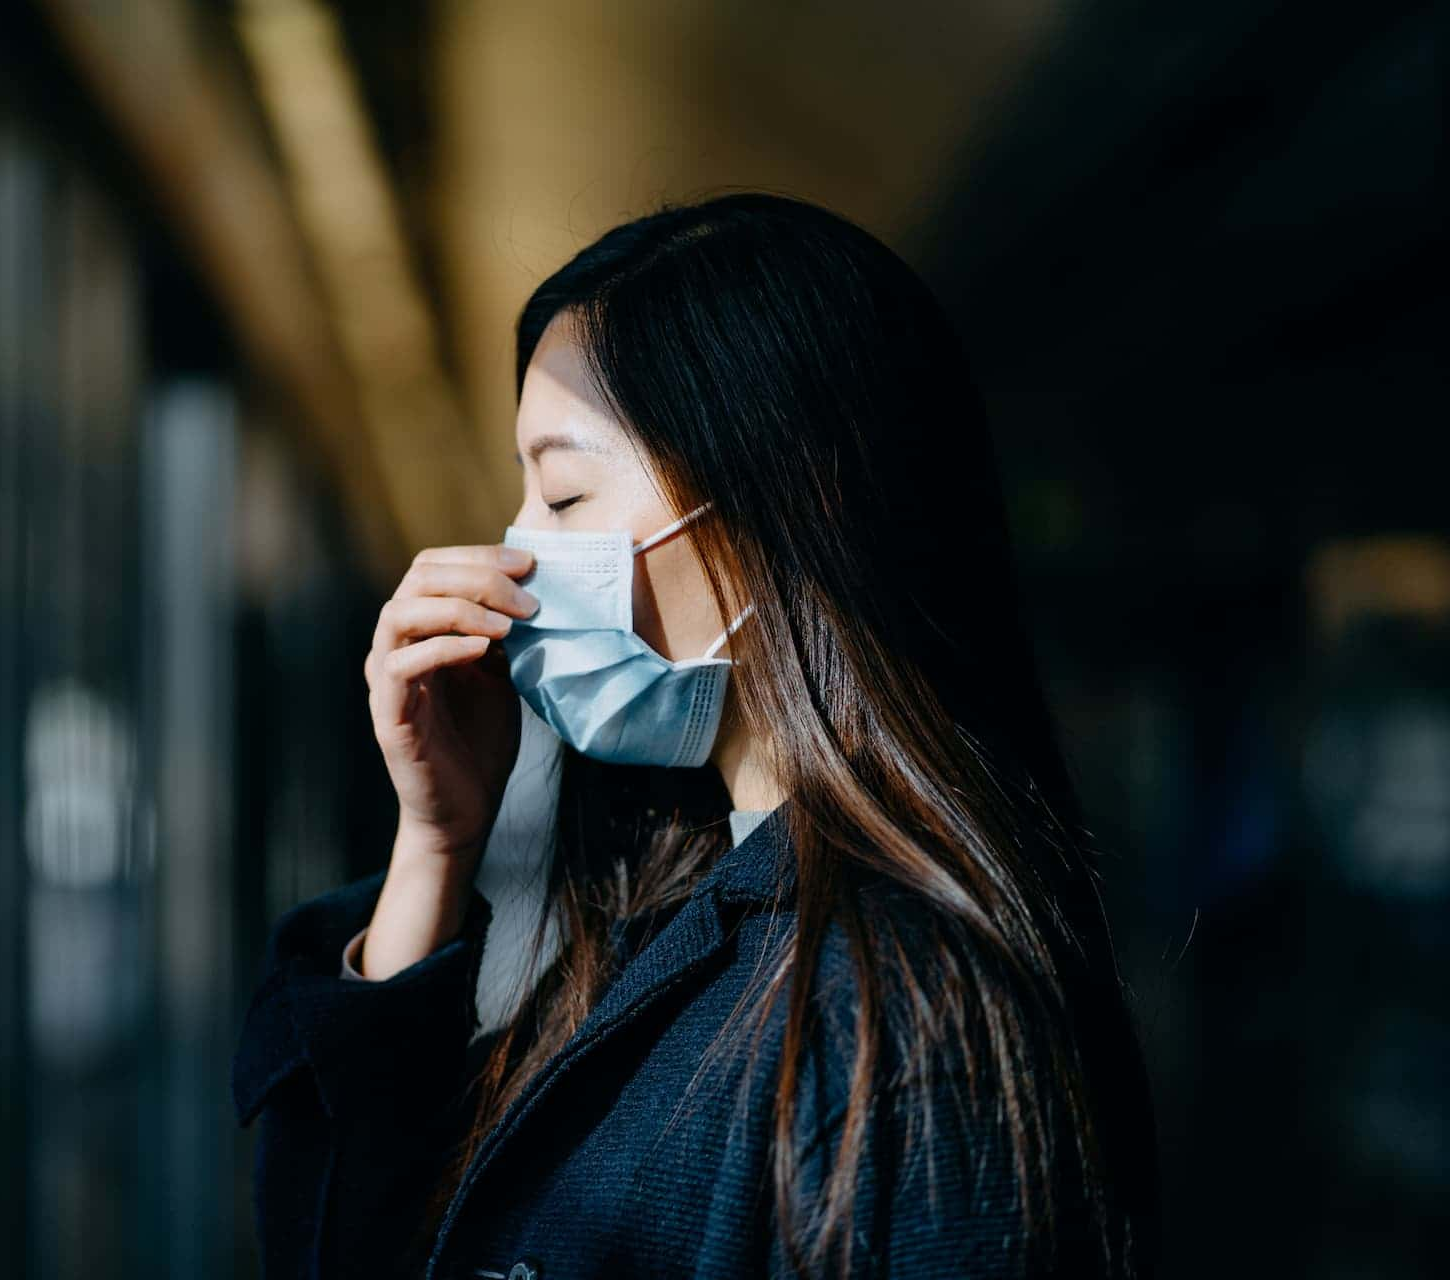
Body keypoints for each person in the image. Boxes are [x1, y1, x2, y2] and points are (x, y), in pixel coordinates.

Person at [231, 191, 1161, 1279]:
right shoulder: (670, 920)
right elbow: (356, 1245)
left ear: (784, 502)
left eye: (566, 492)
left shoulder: (906, 1036)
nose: (517, 548)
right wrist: (435, 843)